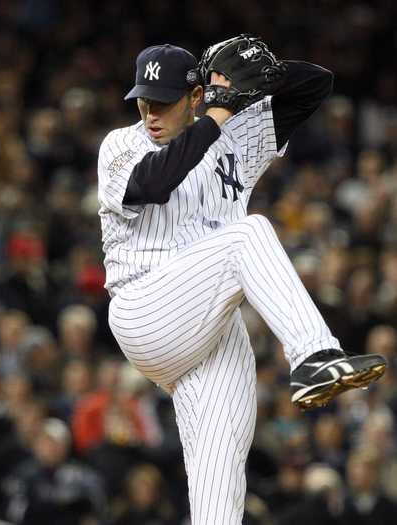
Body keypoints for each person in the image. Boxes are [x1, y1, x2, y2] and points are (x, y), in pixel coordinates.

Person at [97, 37, 387, 524]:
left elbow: (315, 85)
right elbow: (154, 182)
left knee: (220, 475)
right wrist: (217, 114)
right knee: (248, 232)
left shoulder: (234, 133)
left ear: (194, 96)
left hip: (211, 324)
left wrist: (252, 72)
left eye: (164, 101)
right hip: (146, 309)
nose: (150, 112)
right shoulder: (123, 145)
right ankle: (315, 354)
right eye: (143, 101)